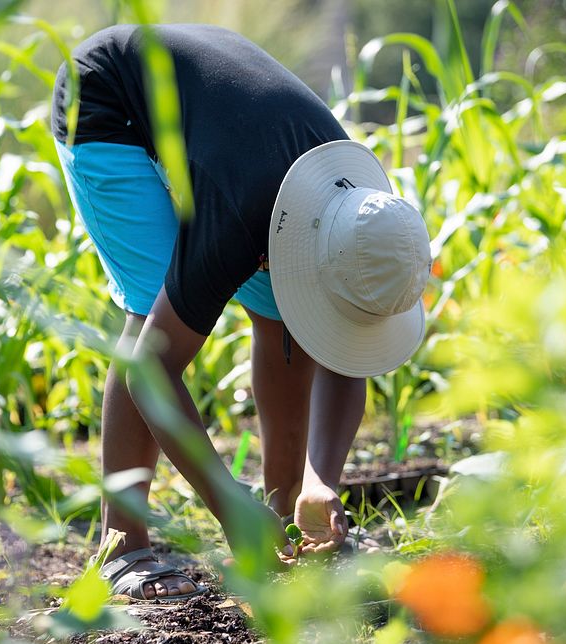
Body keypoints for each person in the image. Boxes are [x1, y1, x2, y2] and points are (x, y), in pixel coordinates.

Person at [51, 24, 431, 602]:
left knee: (293, 322)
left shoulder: (363, 218)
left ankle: (286, 518)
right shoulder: (239, 220)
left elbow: (344, 347)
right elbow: (151, 371)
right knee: (150, 311)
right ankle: (121, 544)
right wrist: (229, 507)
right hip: (108, 100)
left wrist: (320, 482)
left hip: (220, 124)